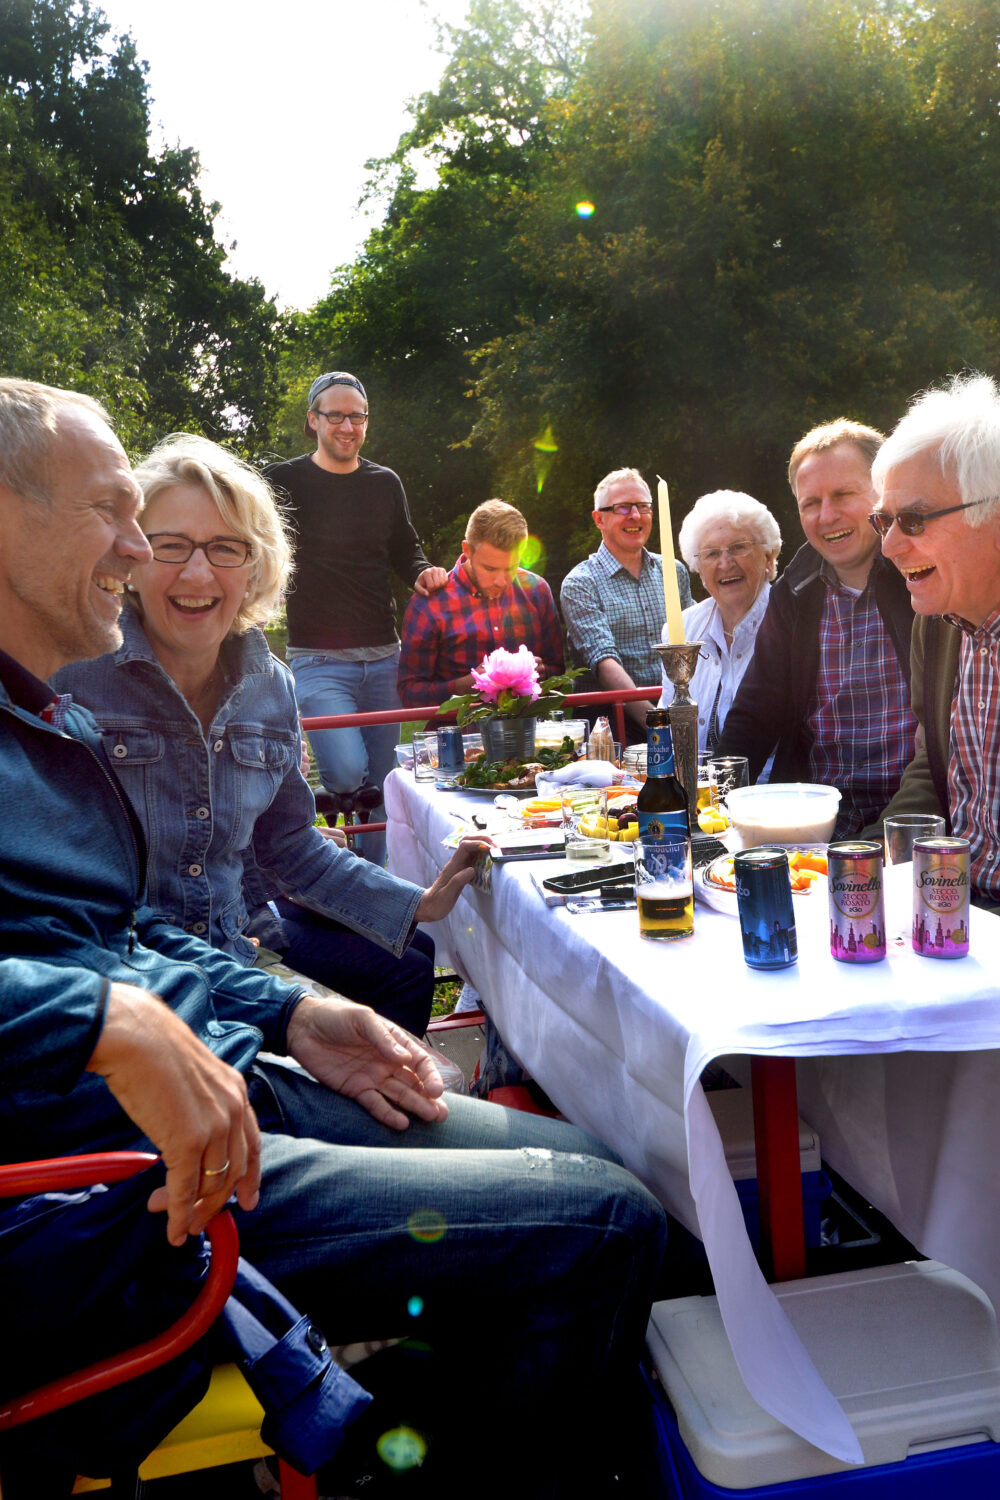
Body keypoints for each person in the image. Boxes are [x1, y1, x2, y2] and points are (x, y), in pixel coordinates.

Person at [0, 379, 667, 1495]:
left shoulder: (68, 710)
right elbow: (106, 962)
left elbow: (173, 907)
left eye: (221, 548)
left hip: (217, 1046)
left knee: (591, 1164)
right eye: (130, 523)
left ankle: (385, 1421)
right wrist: (107, 1018)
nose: (151, 559)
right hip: (102, 1183)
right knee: (608, 1227)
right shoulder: (79, 692)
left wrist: (294, 1008)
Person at [54, 434, 450, 1037]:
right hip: (126, 988)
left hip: (239, 950)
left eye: (225, 547)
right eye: (171, 546)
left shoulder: (272, 688)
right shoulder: (71, 678)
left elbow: (288, 844)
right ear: (131, 557)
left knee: (408, 966)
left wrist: (415, 901)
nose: (198, 571)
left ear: (257, 564)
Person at [265, 372, 448, 865]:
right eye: (336, 415)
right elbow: (259, 546)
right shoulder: (282, 481)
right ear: (313, 420)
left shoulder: (383, 482)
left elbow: (404, 548)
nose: (348, 425)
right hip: (318, 658)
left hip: (385, 657)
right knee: (347, 773)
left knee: (382, 784)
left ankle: (371, 880)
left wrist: (422, 573)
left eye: (358, 416)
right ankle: (331, 856)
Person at [717, 420, 916, 836]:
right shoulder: (793, 592)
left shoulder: (922, 577)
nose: (827, 516)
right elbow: (756, 712)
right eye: (811, 503)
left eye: (843, 495)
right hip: (814, 821)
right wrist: (710, 807)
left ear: (883, 492)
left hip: (915, 818)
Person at [872, 372, 1000, 907]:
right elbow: (932, 766)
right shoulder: (938, 620)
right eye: (884, 520)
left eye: (915, 519)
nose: (889, 546)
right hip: (954, 909)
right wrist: (870, 870)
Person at [560, 467, 693, 736]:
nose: (634, 515)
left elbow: (695, 639)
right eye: (622, 508)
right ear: (599, 519)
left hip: (675, 711)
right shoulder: (581, 583)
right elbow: (604, 661)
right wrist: (658, 726)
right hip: (612, 727)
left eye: (643, 507)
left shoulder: (674, 570)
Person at [397, 498, 564, 707]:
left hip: (529, 728)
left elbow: (558, 671)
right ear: (467, 550)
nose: (501, 581)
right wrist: (468, 685)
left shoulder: (536, 590)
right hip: (460, 731)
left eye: (511, 567)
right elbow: (409, 693)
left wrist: (541, 672)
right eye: (490, 569)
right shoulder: (430, 604)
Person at [658, 489, 782, 753]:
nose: (726, 563)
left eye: (739, 547)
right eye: (712, 554)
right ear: (699, 570)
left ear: (768, 558)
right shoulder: (682, 630)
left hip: (773, 789)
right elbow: (667, 725)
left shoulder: (791, 622)